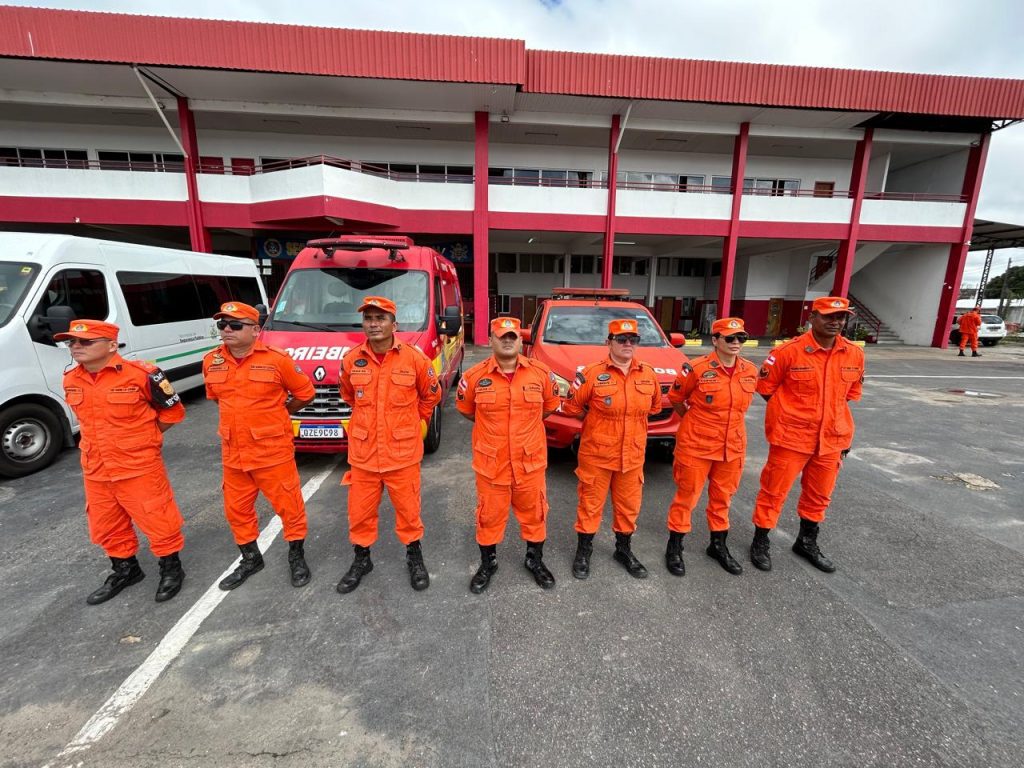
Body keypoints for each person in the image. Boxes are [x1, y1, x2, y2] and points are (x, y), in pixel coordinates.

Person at [57, 319, 187, 604]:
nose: (76, 346)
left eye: (85, 341)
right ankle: (126, 570)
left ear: (112, 345)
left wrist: (144, 438)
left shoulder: (143, 375)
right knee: (107, 523)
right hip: (96, 467)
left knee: (157, 518)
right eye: (71, 342)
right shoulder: (71, 379)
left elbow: (173, 413)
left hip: (138, 464)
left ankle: (171, 568)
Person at [203, 301, 316, 591]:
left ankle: (296, 556)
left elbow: (305, 393)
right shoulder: (211, 361)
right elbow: (217, 398)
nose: (227, 330)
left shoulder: (277, 360)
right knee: (236, 510)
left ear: (255, 330)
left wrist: (279, 414)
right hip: (234, 453)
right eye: (222, 324)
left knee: (289, 507)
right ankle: (251, 559)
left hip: (272, 452)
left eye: (235, 325)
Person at [749, 296, 865, 573]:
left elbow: (848, 395)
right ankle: (760, 541)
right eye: (828, 316)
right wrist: (789, 414)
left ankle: (806, 541)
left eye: (841, 317)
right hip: (791, 438)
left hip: (832, 439)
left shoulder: (854, 354)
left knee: (819, 495)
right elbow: (765, 388)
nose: (835, 322)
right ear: (812, 318)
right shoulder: (788, 352)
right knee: (773, 492)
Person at [336, 296, 441, 594]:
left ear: (394, 325)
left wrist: (412, 421)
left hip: (402, 454)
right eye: (368, 318)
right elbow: (348, 395)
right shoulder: (351, 359)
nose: (373, 324)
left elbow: (431, 395)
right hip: (364, 454)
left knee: (408, 512)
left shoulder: (415, 359)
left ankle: (414, 557)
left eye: (380, 318)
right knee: (360, 513)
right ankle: (362, 559)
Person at [455, 316, 561, 594]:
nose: (507, 340)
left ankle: (534, 560)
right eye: (501, 336)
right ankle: (488, 563)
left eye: (512, 336)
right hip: (492, 464)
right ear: (491, 340)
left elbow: (549, 406)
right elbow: (467, 411)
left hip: (530, 462)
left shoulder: (541, 374)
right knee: (488, 516)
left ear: (520, 340)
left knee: (535, 514)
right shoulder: (474, 377)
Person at [562, 318, 666, 579]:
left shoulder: (648, 374)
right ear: (608, 342)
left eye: (633, 339)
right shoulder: (590, 374)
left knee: (629, 506)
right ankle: (584, 551)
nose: (627, 344)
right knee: (590, 505)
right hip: (597, 453)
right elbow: (572, 407)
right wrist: (596, 423)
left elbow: (655, 407)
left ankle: (623, 550)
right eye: (621, 339)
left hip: (632, 454)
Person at [665, 317, 758, 576]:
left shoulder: (750, 370)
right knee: (687, 498)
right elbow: (676, 398)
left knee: (722, 498)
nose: (736, 342)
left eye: (741, 338)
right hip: (697, 444)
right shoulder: (696, 369)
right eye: (730, 338)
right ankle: (675, 547)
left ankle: (718, 545)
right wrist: (694, 421)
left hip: (732, 446)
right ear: (715, 340)